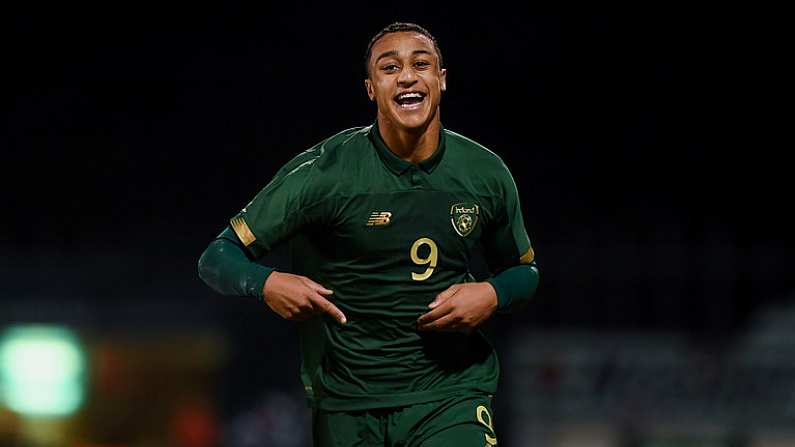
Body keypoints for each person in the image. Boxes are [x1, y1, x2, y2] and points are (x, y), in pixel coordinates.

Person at [198, 22, 539, 446]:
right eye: (389, 67)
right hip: (347, 403)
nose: (408, 76)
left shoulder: (484, 173)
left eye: (421, 64)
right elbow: (217, 257)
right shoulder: (324, 174)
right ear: (371, 89)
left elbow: (524, 272)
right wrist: (267, 282)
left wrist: (492, 293)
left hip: (449, 394)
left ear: (442, 79)